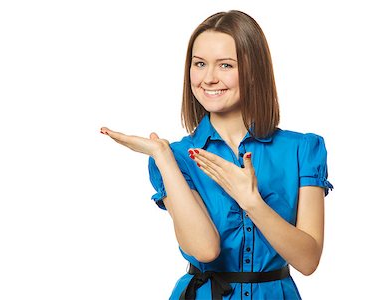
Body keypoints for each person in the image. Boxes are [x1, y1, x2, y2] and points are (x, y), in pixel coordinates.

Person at [100, 10, 333, 300]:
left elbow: (308, 261)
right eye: (199, 64)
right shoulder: (175, 158)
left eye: (225, 65)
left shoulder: (302, 150)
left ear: (253, 72)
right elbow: (205, 249)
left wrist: (252, 202)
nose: (209, 78)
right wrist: (162, 156)